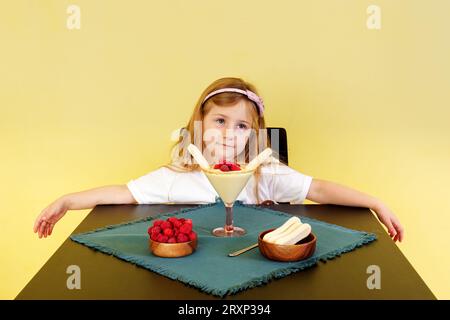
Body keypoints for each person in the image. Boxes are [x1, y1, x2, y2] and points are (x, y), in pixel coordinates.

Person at [33, 77, 404, 242]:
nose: (229, 134)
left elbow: (317, 188)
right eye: (220, 121)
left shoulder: (265, 176)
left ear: (253, 134)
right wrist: (67, 201)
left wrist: (374, 202)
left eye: (241, 126)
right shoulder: (177, 176)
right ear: (199, 125)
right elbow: (124, 193)